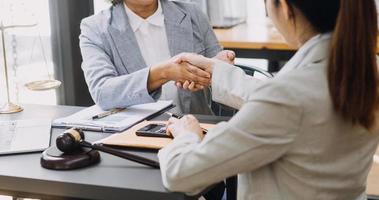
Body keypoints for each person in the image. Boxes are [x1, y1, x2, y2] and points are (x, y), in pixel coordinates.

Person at [158, 0, 379, 199]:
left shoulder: (289, 96)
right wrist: (216, 70)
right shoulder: (367, 68)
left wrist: (187, 136)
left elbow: (180, 174)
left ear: (283, 7)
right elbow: (291, 100)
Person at [79, 0, 235, 114]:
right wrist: (163, 72)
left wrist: (224, 73)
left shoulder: (193, 14)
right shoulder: (95, 28)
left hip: (197, 133)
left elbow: (231, 99)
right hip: (134, 138)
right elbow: (103, 93)